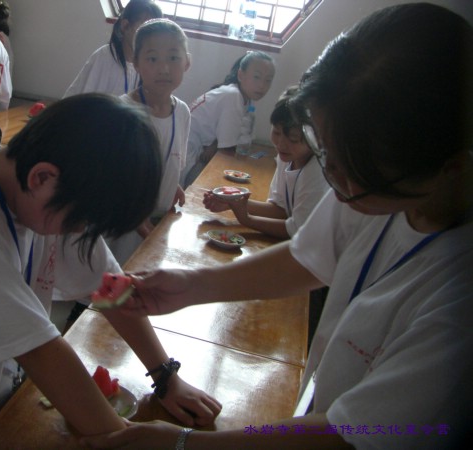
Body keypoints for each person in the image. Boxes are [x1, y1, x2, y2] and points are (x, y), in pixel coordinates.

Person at [80, 3, 473, 449]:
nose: (334, 178)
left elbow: (356, 435)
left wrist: (184, 444)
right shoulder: (378, 185)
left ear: (453, 170)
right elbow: (308, 256)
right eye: (325, 153)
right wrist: (191, 285)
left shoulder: (457, 304)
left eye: (352, 170)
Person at [0, 94, 221, 449]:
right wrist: (126, 442)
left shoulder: (42, 190)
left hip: (1, 404)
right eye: (81, 221)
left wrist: (165, 376)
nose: (79, 232)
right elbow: (40, 352)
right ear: (42, 176)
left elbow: (110, 287)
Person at [107, 18, 191, 265]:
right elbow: (110, 179)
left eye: (173, 58)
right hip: (121, 223)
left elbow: (171, 157)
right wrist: (139, 222)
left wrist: (172, 184)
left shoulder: (182, 112)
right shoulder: (122, 111)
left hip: (156, 223)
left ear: (187, 62)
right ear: (136, 63)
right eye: (153, 59)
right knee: (114, 278)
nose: (164, 68)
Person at [203, 86, 329, 240]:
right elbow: (281, 210)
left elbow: (297, 231)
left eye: (293, 139)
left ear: (315, 137)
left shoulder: (319, 171)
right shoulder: (288, 155)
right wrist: (232, 203)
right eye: (276, 132)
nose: (281, 144)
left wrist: (247, 219)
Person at [181, 50, 275, 188]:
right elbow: (226, 151)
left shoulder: (245, 99)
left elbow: (239, 139)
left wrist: (215, 145)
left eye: (268, 80)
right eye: (256, 77)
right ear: (241, 75)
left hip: (199, 154)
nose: (262, 85)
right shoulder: (233, 96)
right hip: (188, 160)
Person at [62, 0, 162, 97]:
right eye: (143, 30)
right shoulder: (105, 57)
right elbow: (85, 102)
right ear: (125, 26)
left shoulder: (144, 64)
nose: (149, 38)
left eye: (153, 33)